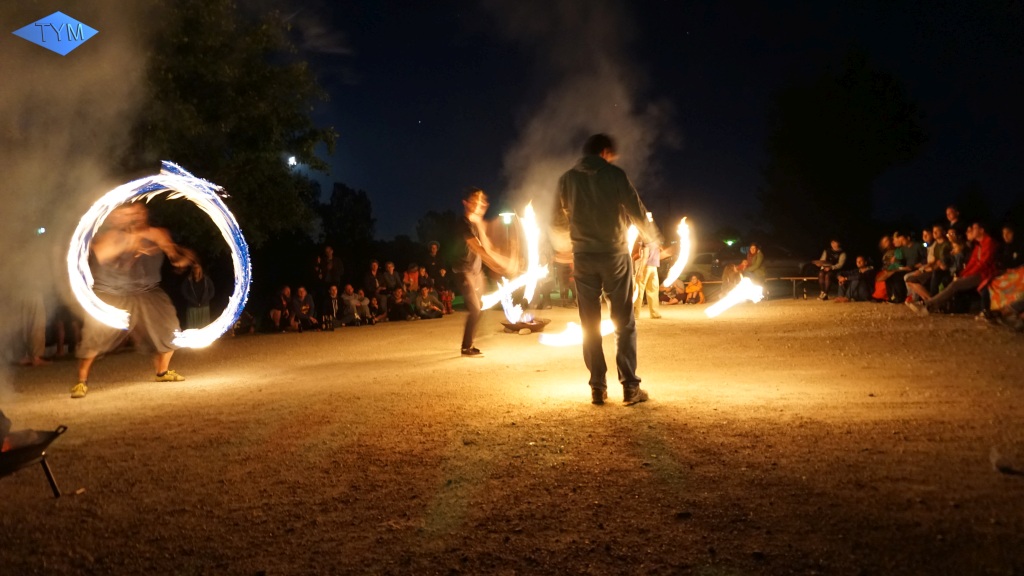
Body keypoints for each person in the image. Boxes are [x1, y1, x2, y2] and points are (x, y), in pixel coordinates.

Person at [552, 133, 661, 405]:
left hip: (584, 256)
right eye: (611, 154)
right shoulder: (614, 175)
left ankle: (597, 387)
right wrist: (653, 239)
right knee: (623, 321)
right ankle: (629, 387)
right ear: (604, 152)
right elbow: (636, 209)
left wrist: (567, 245)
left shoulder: (566, 179)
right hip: (614, 254)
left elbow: (556, 220)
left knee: (589, 323)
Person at [72, 202, 196, 399]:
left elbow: (173, 256)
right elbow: (103, 257)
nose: (135, 217)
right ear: (117, 217)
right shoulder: (110, 237)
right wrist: (130, 244)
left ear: (145, 214)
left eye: (138, 212)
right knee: (95, 336)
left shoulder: (157, 234)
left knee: (170, 328)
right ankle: (81, 381)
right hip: (112, 292)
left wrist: (182, 260)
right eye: (129, 214)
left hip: (147, 291)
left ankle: (162, 372)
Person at [456, 187, 512, 356]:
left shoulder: (476, 223)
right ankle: (466, 347)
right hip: (463, 271)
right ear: (465, 203)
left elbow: (486, 245)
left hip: (476, 271)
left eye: (480, 201)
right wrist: (498, 261)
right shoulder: (463, 223)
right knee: (475, 309)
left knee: (481, 306)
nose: (478, 204)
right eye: (474, 201)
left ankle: (470, 343)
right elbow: (477, 247)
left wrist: (498, 262)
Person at [909, 222, 999, 315]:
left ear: (982, 230)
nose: (972, 230)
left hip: (985, 274)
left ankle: (929, 305)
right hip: (978, 273)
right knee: (951, 281)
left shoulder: (989, 243)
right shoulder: (979, 244)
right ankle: (932, 304)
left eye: (974, 228)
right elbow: (972, 262)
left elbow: (982, 264)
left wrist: (965, 275)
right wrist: (963, 274)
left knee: (954, 284)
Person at [633, 236, 663, 319]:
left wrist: (640, 270)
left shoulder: (645, 241)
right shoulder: (657, 241)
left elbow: (645, 256)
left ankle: (635, 314)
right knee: (653, 291)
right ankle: (655, 313)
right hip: (654, 268)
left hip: (645, 267)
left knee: (638, 290)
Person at [181, 263, 215, 329]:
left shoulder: (206, 280)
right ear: (192, 270)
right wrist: (192, 301)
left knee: (204, 327)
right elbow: (183, 291)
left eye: (197, 268)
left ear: (200, 270)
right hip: (192, 308)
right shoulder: (189, 280)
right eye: (194, 268)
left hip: (204, 307)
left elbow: (212, 291)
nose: (196, 270)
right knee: (192, 328)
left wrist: (206, 300)